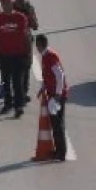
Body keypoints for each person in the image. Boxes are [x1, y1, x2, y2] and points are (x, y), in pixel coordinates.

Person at [0, 0, 30, 118]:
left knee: (17, 81)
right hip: (4, 54)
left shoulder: (20, 17)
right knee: (6, 81)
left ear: (11, 3)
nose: (5, 5)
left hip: (19, 54)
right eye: (3, 3)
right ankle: (8, 104)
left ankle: (19, 106)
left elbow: (26, 35)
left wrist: (28, 53)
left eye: (7, 2)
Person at [36, 34, 69, 162]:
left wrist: (57, 95)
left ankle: (61, 152)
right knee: (55, 124)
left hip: (57, 96)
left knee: (57, 124)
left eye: (37, 45)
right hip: (53, 93)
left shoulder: (50, 56)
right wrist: (43, 88)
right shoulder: (45, 56)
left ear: (40, 44)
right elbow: (48, 75)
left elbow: (60, 76)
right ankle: (59, 151)